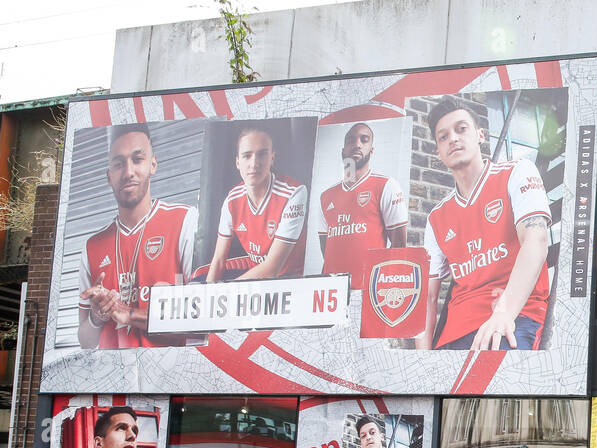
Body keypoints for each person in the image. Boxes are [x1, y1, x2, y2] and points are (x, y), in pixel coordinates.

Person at [419, 97, 551, 350]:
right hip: (455, 333)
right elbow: (428, 296)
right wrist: (422, 359)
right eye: (443, 136)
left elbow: (536, 240)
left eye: (461, 129)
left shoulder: (516, 172)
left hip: (513, 317)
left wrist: (503, 314)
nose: (453, 139)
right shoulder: (436, 218)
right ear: (438, 151)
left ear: (480, 135)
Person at [78, 124, 197, 349]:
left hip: (169, 377)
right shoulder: (92, 246)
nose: (128, 172)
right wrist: (97, 317)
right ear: (109, 176)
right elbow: (85, 341)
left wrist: (129, 314)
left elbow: (200, 321)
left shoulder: (184, 220)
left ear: (153, 164)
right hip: (114, 379)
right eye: (118, 164)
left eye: (137, 159)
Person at [207, 126, 308, 282]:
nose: (254, 163)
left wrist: (223, 292)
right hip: (256, 276)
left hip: (292, 279)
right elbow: (219, 260)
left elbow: (272, 268)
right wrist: (207, 296)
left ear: (272, 158)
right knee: (197, 281)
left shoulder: (294, 193)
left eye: (262, 154)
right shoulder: (231, 200)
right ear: (237, 162)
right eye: (247, 156)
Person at [317, 122, 408, 288]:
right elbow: (327, 249)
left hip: (369, 290)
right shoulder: (325, 196)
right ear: (342, 151)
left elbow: (399, 247)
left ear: (372, 150)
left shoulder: (386, 186)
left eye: (364, 140)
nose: (357, 144)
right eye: (351, 140)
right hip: (331, 294)